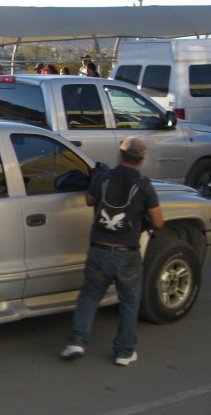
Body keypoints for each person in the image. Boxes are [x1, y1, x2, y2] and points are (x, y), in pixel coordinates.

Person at [60, 137, 164, 366]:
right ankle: (124, 352)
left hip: (98, 249)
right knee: (129, 301)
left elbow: (89, 201)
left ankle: (76, 342)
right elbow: (158, 222)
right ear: (142, 160)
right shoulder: (144, 185)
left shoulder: (103, 177)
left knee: (89, 295)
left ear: (120, 155)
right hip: (127, 253)